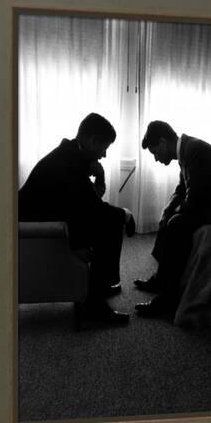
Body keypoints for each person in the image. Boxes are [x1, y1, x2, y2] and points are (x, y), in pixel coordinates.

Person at [19, 112, 135, 324]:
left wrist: (99, 177)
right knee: (111, 223)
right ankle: (94, 307)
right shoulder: (69, 164)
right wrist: (125, 215)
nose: (104, 155)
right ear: (92, 141)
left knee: (107, 220)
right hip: (36, 229)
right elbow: (94, 208)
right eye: (104, 148)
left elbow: (88, 201)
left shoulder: (71, 156)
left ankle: (101, 286)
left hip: (51, 218)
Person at [134, 120, 211, 317]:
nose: (155, 159)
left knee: (177, 224)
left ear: (163, 142)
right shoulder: (186, 150)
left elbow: (195, 197)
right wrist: (167, 210)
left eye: (155, 153)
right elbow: (182, 189)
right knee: (169, 218)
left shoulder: (193, 151)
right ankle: (161, 279)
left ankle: (168, 302)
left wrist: (175, 214)